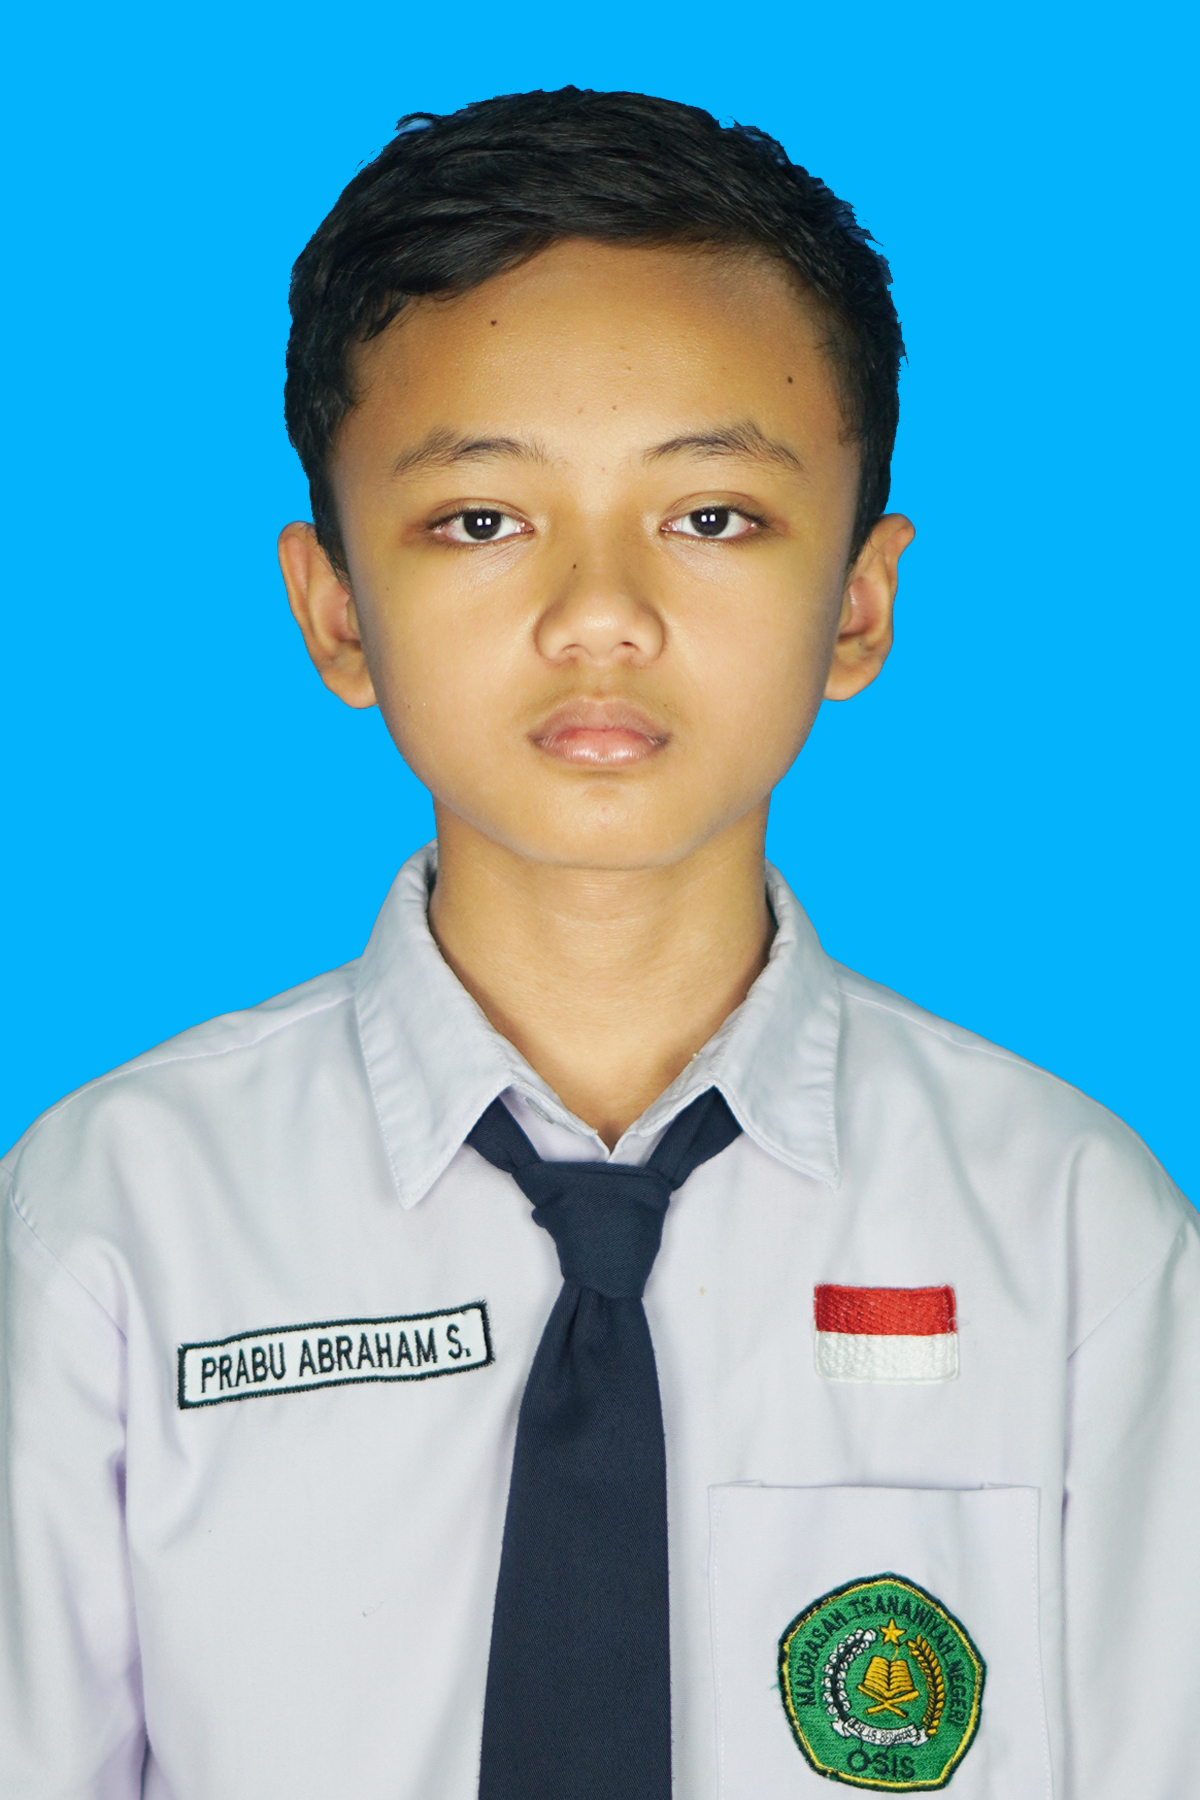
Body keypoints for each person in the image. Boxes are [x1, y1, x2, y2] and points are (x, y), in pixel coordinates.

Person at [1, 87, 1195, 1800]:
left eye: (712, 515)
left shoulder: (1073, 1231)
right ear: (335, 609)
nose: (601, 617)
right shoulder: (110, 1225)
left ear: (859, 602)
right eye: (481, 520)